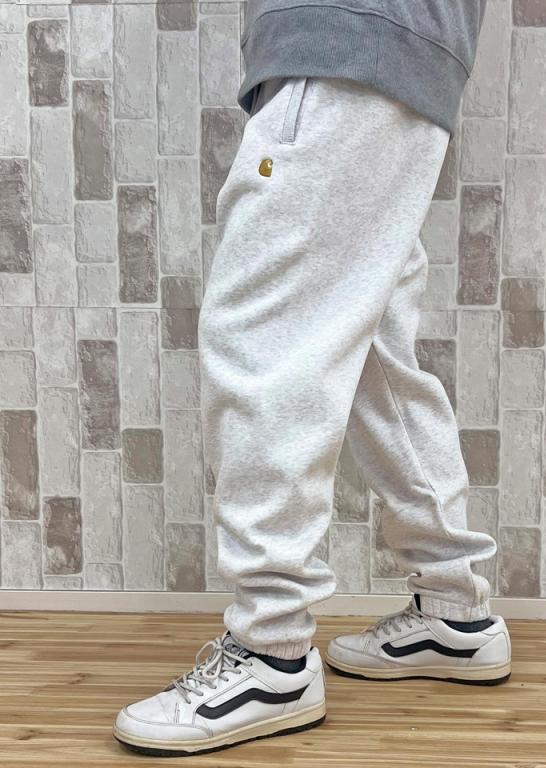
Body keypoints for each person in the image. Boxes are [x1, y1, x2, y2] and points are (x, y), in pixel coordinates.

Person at [113, 0, 511, 756]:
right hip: (397, 58)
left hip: (344, 44)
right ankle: (454, 609)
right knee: (375, 356)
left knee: (265, 339)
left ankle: (271, 655)